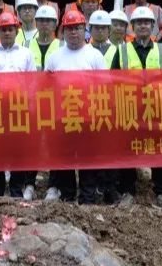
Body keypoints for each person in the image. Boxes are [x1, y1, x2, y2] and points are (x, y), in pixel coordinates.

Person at [43, 10, 111, 205]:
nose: (74, 33)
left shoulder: (95, 55)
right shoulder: (55, 57)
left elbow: (104, 86)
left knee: (87, 158)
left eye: (78, 28)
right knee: (64, 158)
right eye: (70, 29)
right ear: (63, 31)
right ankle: (67, 195)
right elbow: (45, 88)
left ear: (85, 30)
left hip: (88, 117)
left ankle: (87, 197)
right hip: (62, 117)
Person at [108, 6, 162, 207]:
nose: (143, 26)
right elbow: (112, 80)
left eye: (147, 23)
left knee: (159, 149)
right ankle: (128, 191)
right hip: (130, 108)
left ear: (153, 27)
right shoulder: (122, 50)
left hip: (155, 108)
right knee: (129, 149)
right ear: (132, 27)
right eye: (139, 23)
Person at [0, 12, 36, 200]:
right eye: (3, 30)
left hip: (19, 109)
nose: (7, 33)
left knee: (18, 151)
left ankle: (16, 191)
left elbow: (32, 83)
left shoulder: (26, 54)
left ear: (16, 31)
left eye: (10, 29)